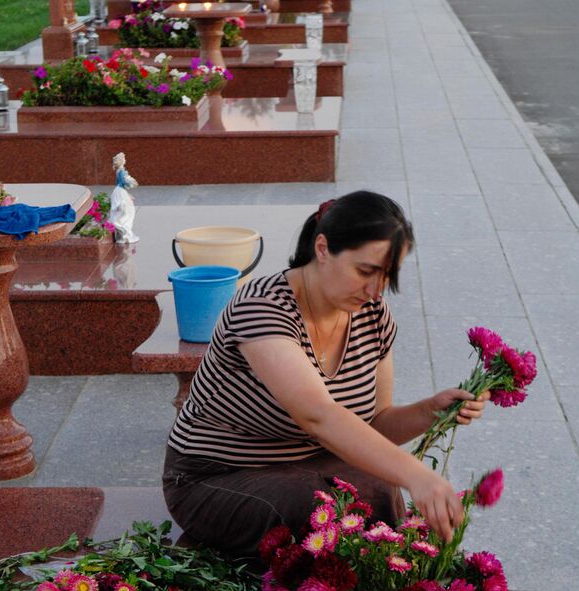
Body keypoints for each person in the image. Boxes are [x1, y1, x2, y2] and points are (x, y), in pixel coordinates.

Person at [162, 192, 489, 559]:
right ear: (322, 248)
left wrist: (431, 410)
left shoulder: (373, 315)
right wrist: (418, 475)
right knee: (316, 511)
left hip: (308, 464)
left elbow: (375, 424)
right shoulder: (262, 307)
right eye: (365, 271)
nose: (374, 290)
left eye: (386, 276)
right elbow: (318, 415)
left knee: (379, 489)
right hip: (215, 477)